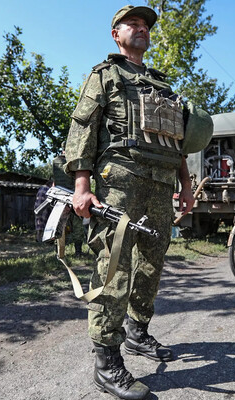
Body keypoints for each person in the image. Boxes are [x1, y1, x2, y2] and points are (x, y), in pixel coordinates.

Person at [63, 5, 204, 399]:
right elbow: (83, 131)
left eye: (145, 26)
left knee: (152, 263)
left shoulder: (163, 86)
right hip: (119, 184)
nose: (141, 30)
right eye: (133, 24)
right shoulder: (104, 76)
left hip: (160, 187)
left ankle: (138, 332)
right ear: (116, 34)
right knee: (115, 267)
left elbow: (175, 144)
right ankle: (107, 361)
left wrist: (186, 185)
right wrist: (81, 185)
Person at [34, 178, 54, 243]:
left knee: (38, 223)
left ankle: (38, 238)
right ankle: (44, 239)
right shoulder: (48, 189)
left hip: (37, 207)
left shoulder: (41, 188)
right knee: (45, 224)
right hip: (44, 207)